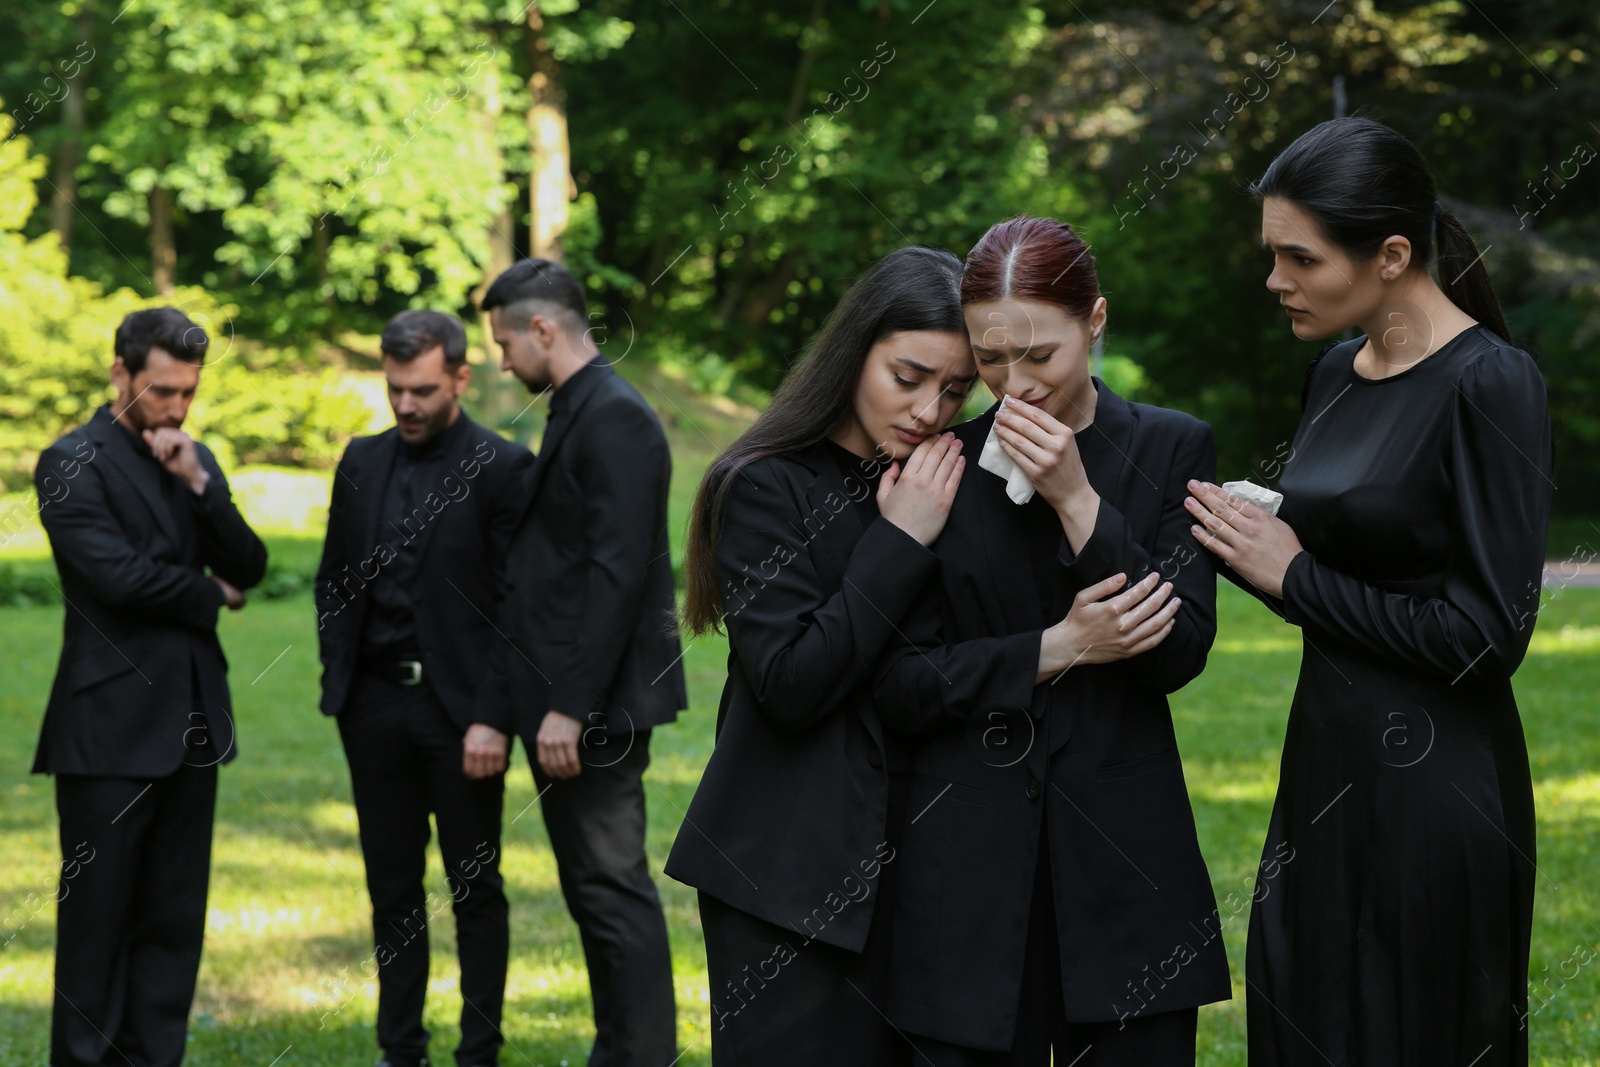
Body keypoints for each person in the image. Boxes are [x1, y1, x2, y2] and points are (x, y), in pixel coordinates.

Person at [1185, 116, 1552, 1067]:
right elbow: (1331, 582)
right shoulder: (1331, 374)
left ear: (1391, 254)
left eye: (1298, 258)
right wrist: (1249, 551)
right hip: (1321, 772)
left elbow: (1485, 637)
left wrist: (1294, 572)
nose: (1275, 280)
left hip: (1436, 796)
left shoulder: (1491, 382)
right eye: (1272, 254)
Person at [873, 217, 1230, 1066]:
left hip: (1125, 871)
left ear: (1095, 321)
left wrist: (1078, 500)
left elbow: (1177, 652)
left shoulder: (1171, 445)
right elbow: (900, 682)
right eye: (990, 359)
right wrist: (1054, 647)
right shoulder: (941, 463)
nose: (1013, 384)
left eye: (1040, 355)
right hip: (964, 874)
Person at [664, 246, 976, 1065]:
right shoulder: (764, 485)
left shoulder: (949, 480)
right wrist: (901, 537)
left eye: (954, 388)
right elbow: (795, 680)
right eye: (907, 376)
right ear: (855, 350)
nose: (928, 408)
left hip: (925, 867)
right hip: (787, 875)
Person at [32, 306, 267, 1066]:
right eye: (161, 390)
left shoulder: (193, 460)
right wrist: (210, 596)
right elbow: (115, 579)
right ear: (120, 374)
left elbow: (252, 565)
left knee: (173, 921)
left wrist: (201, 484)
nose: (175, 408)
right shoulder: (69, 461)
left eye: (187, 392)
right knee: (98, 922)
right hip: (106, 731)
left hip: (194, 722)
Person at [483, 258, 687, 1067]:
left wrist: (569, 704)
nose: (500, 360)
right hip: (570, 701)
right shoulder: (578, 408)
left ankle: (641, 1055)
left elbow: (619, 572)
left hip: (596, 708)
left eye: (504, 341)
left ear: (543, 328)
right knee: (591, 890)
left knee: (612, 890)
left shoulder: (615, 417)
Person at [315, 309, 532, 1067]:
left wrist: (492, 718)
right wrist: (336, 676)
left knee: (475, 886)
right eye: (395, 388)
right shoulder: (360, 460)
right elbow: (334, 580)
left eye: (423, 390)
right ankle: (399, 1048)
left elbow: (517, 605)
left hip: (463, 715)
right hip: (372, 705)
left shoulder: (505, 465)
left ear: (461, 378)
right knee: (392, 889)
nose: (406, 405)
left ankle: (479, 1051)